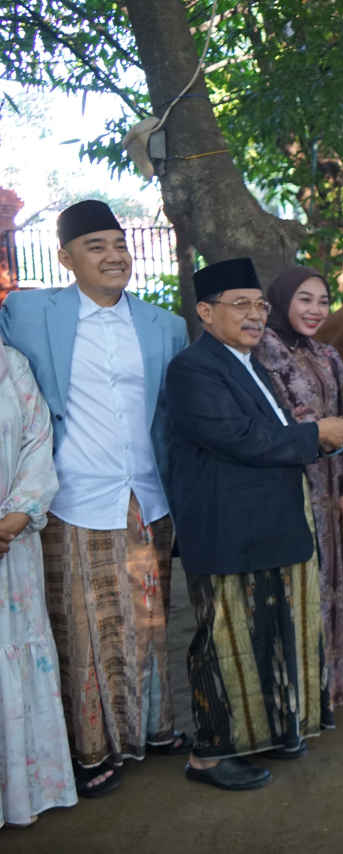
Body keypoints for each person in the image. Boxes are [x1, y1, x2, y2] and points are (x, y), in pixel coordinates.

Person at [0, 200, 190, 799]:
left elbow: (173, 416)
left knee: (148, 619)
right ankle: (89, 748)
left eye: (119, 244)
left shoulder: (165, 325)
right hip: (72, 496)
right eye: (95, 246)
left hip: (145, 495)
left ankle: (154, 728)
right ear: (65, 258)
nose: (113, 256)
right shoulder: (29, 312)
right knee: (83, 629)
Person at [166, 257, 343, 791]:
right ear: (206, 312)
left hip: (272, 521)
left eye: (260, 305)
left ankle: (267, 733)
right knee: (223, 640)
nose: (256, 315)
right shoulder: (193, 369)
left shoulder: (250, 363)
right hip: (227, 528)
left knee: (271, 636)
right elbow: (240, 439)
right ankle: (209, 754)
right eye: (242, 305)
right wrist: (318, 433)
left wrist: (342, 430)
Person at [254, 266, 343, 706]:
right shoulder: (259, 351)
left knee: (330, 580)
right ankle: (293, 688)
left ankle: (330, 679)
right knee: (292, 582)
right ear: (282, 299)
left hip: (325, 489)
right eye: (305, 299)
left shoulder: (326, 355)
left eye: (323, 301)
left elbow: (341, 418)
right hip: (284, 483)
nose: (315, 309)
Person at [0, 336, 76, 828]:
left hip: (11, 544)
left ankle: (22, 794)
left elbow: (36, 439)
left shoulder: (11, 364)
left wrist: (14, 518)